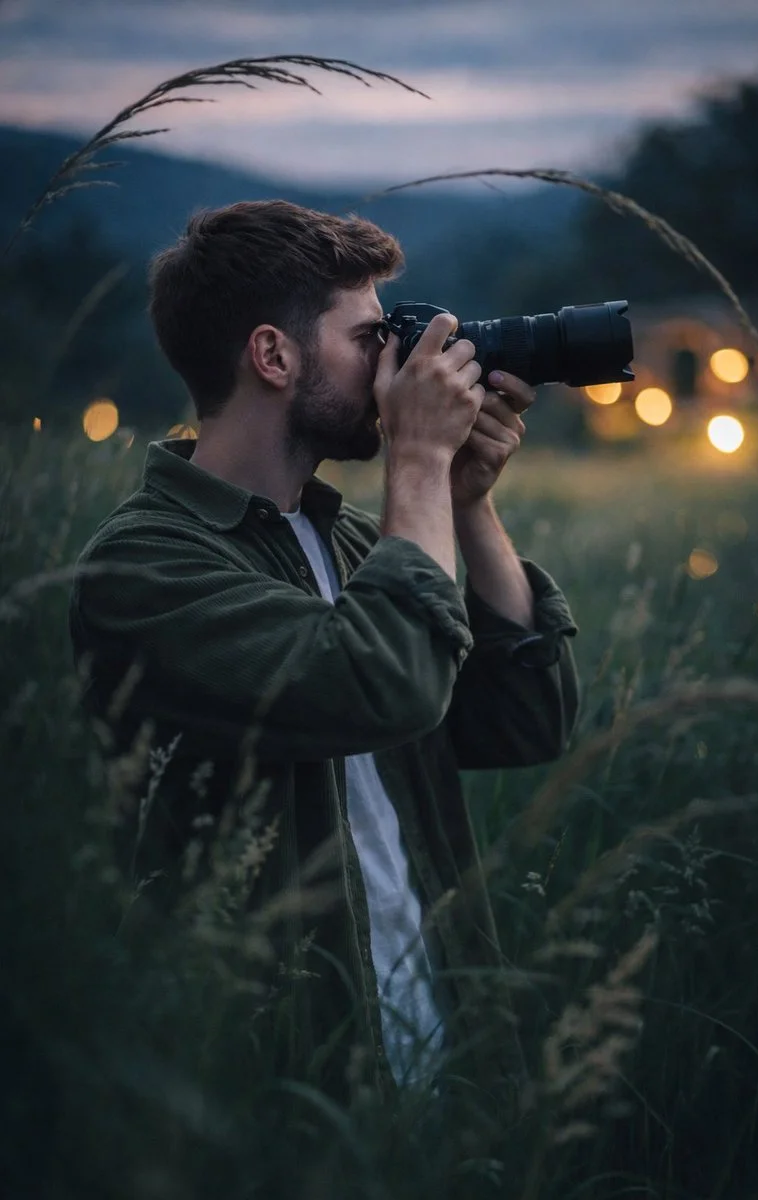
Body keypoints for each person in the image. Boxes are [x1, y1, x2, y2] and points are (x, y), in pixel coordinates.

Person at [68, 200, 579, 1124]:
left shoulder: (351, 539)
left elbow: (522, 720)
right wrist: (416, 463)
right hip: (280, 1090)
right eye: (370, 337)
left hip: (439, 1050)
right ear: (274, 357)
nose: (395, 366)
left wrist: (464, 502)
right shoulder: (144, 564)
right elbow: (382, 683)